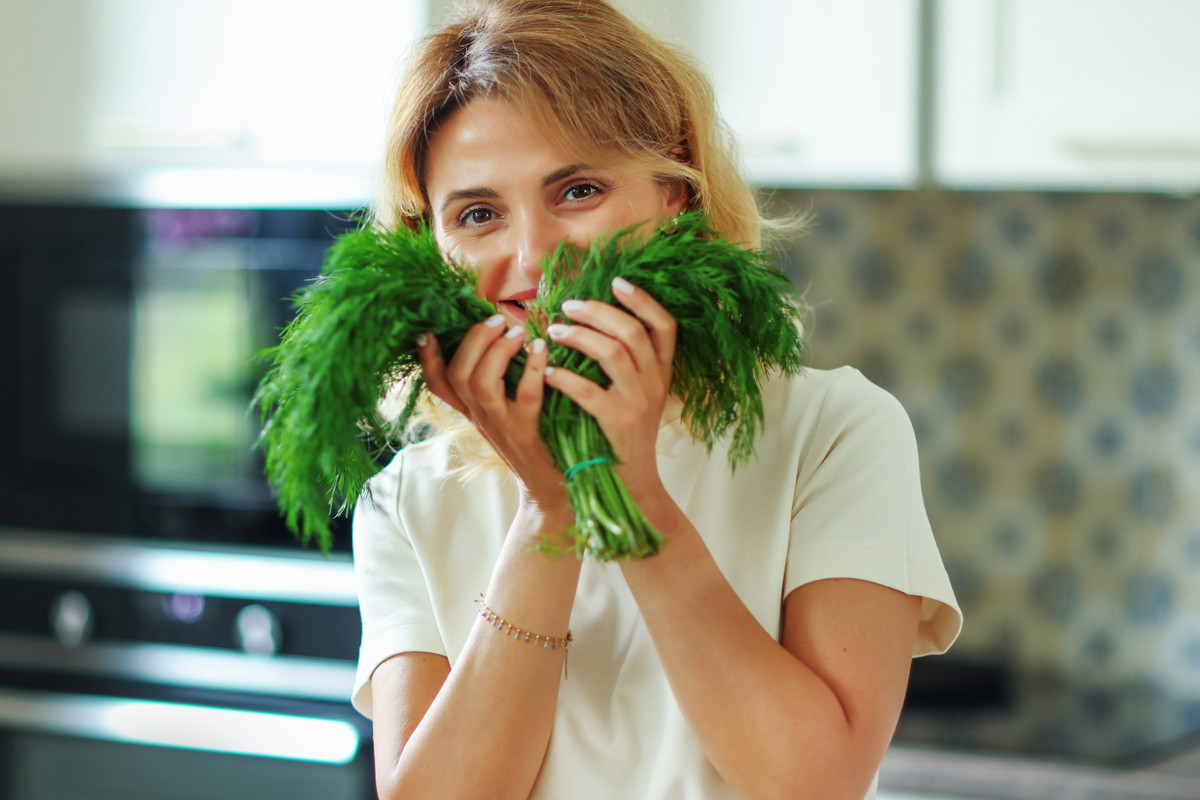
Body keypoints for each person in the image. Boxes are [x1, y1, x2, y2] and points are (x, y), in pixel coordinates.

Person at [351, 1, 961, 798]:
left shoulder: (833, 432)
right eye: (478, 214)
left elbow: (816, 785)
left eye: (577, 190)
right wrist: (552, 510)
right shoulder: (406, 500)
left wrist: (628, 493)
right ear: (432, 244)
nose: (532, 259)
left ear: (675, 188)